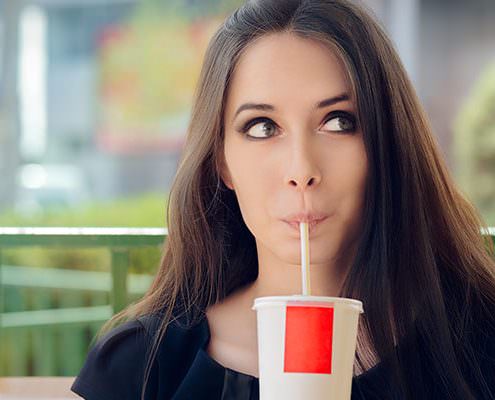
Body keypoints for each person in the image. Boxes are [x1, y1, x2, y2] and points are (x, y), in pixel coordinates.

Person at [71, 0, 495, 399]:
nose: (301, 169)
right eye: (261, 127)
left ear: (388, 142)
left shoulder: (478, 340)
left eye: (338, 121)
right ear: (221, 160)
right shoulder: (142, 367)